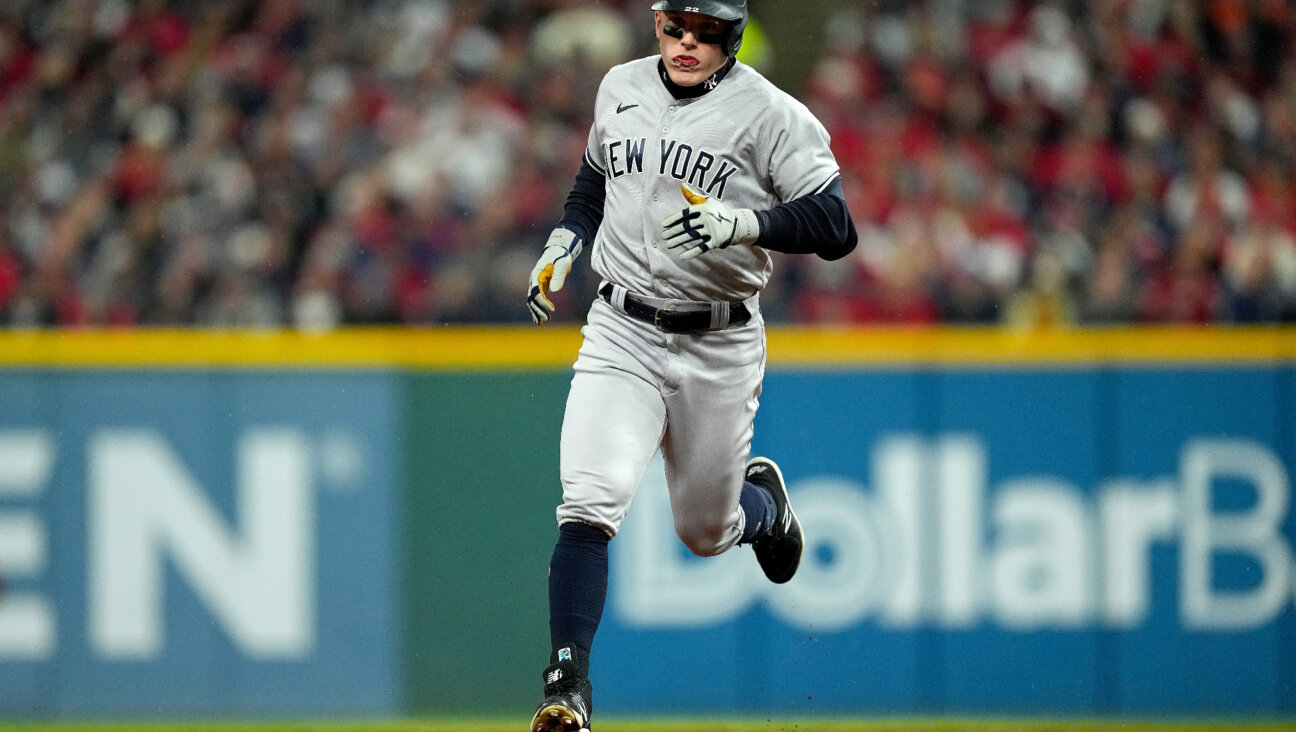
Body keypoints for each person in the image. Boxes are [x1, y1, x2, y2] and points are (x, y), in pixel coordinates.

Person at [524, 2, 857, 730]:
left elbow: (837, 224)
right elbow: (594, 181)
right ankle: (567, 685)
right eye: (675, 27)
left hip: (719, 341)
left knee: (704, 532)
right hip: (622, 327)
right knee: (590, 497)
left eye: (704, 33)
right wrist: (565, 237)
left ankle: (762, 508)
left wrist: (747, 223)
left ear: (731, 37)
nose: (685, 44)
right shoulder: (621, 85)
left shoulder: (769, 113)